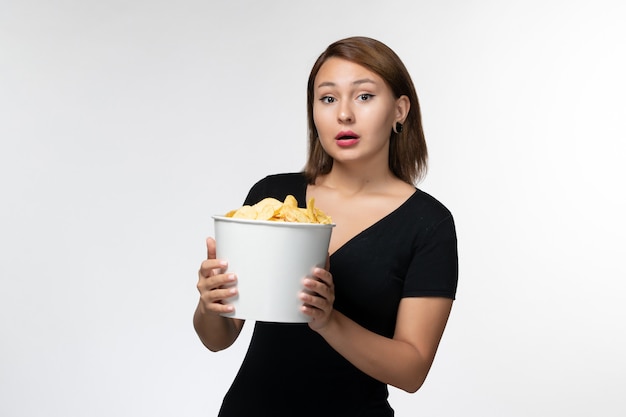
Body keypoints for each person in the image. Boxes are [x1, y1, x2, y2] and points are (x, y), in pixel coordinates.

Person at [194, 36, 458, 416]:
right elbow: (218, 339)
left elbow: (412, 370)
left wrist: (328, 320)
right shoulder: (271, 197)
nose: (344, 115)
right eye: (328, 98)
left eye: (364, 96)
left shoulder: (429, 224)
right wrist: (210, 303)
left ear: (400, 110)